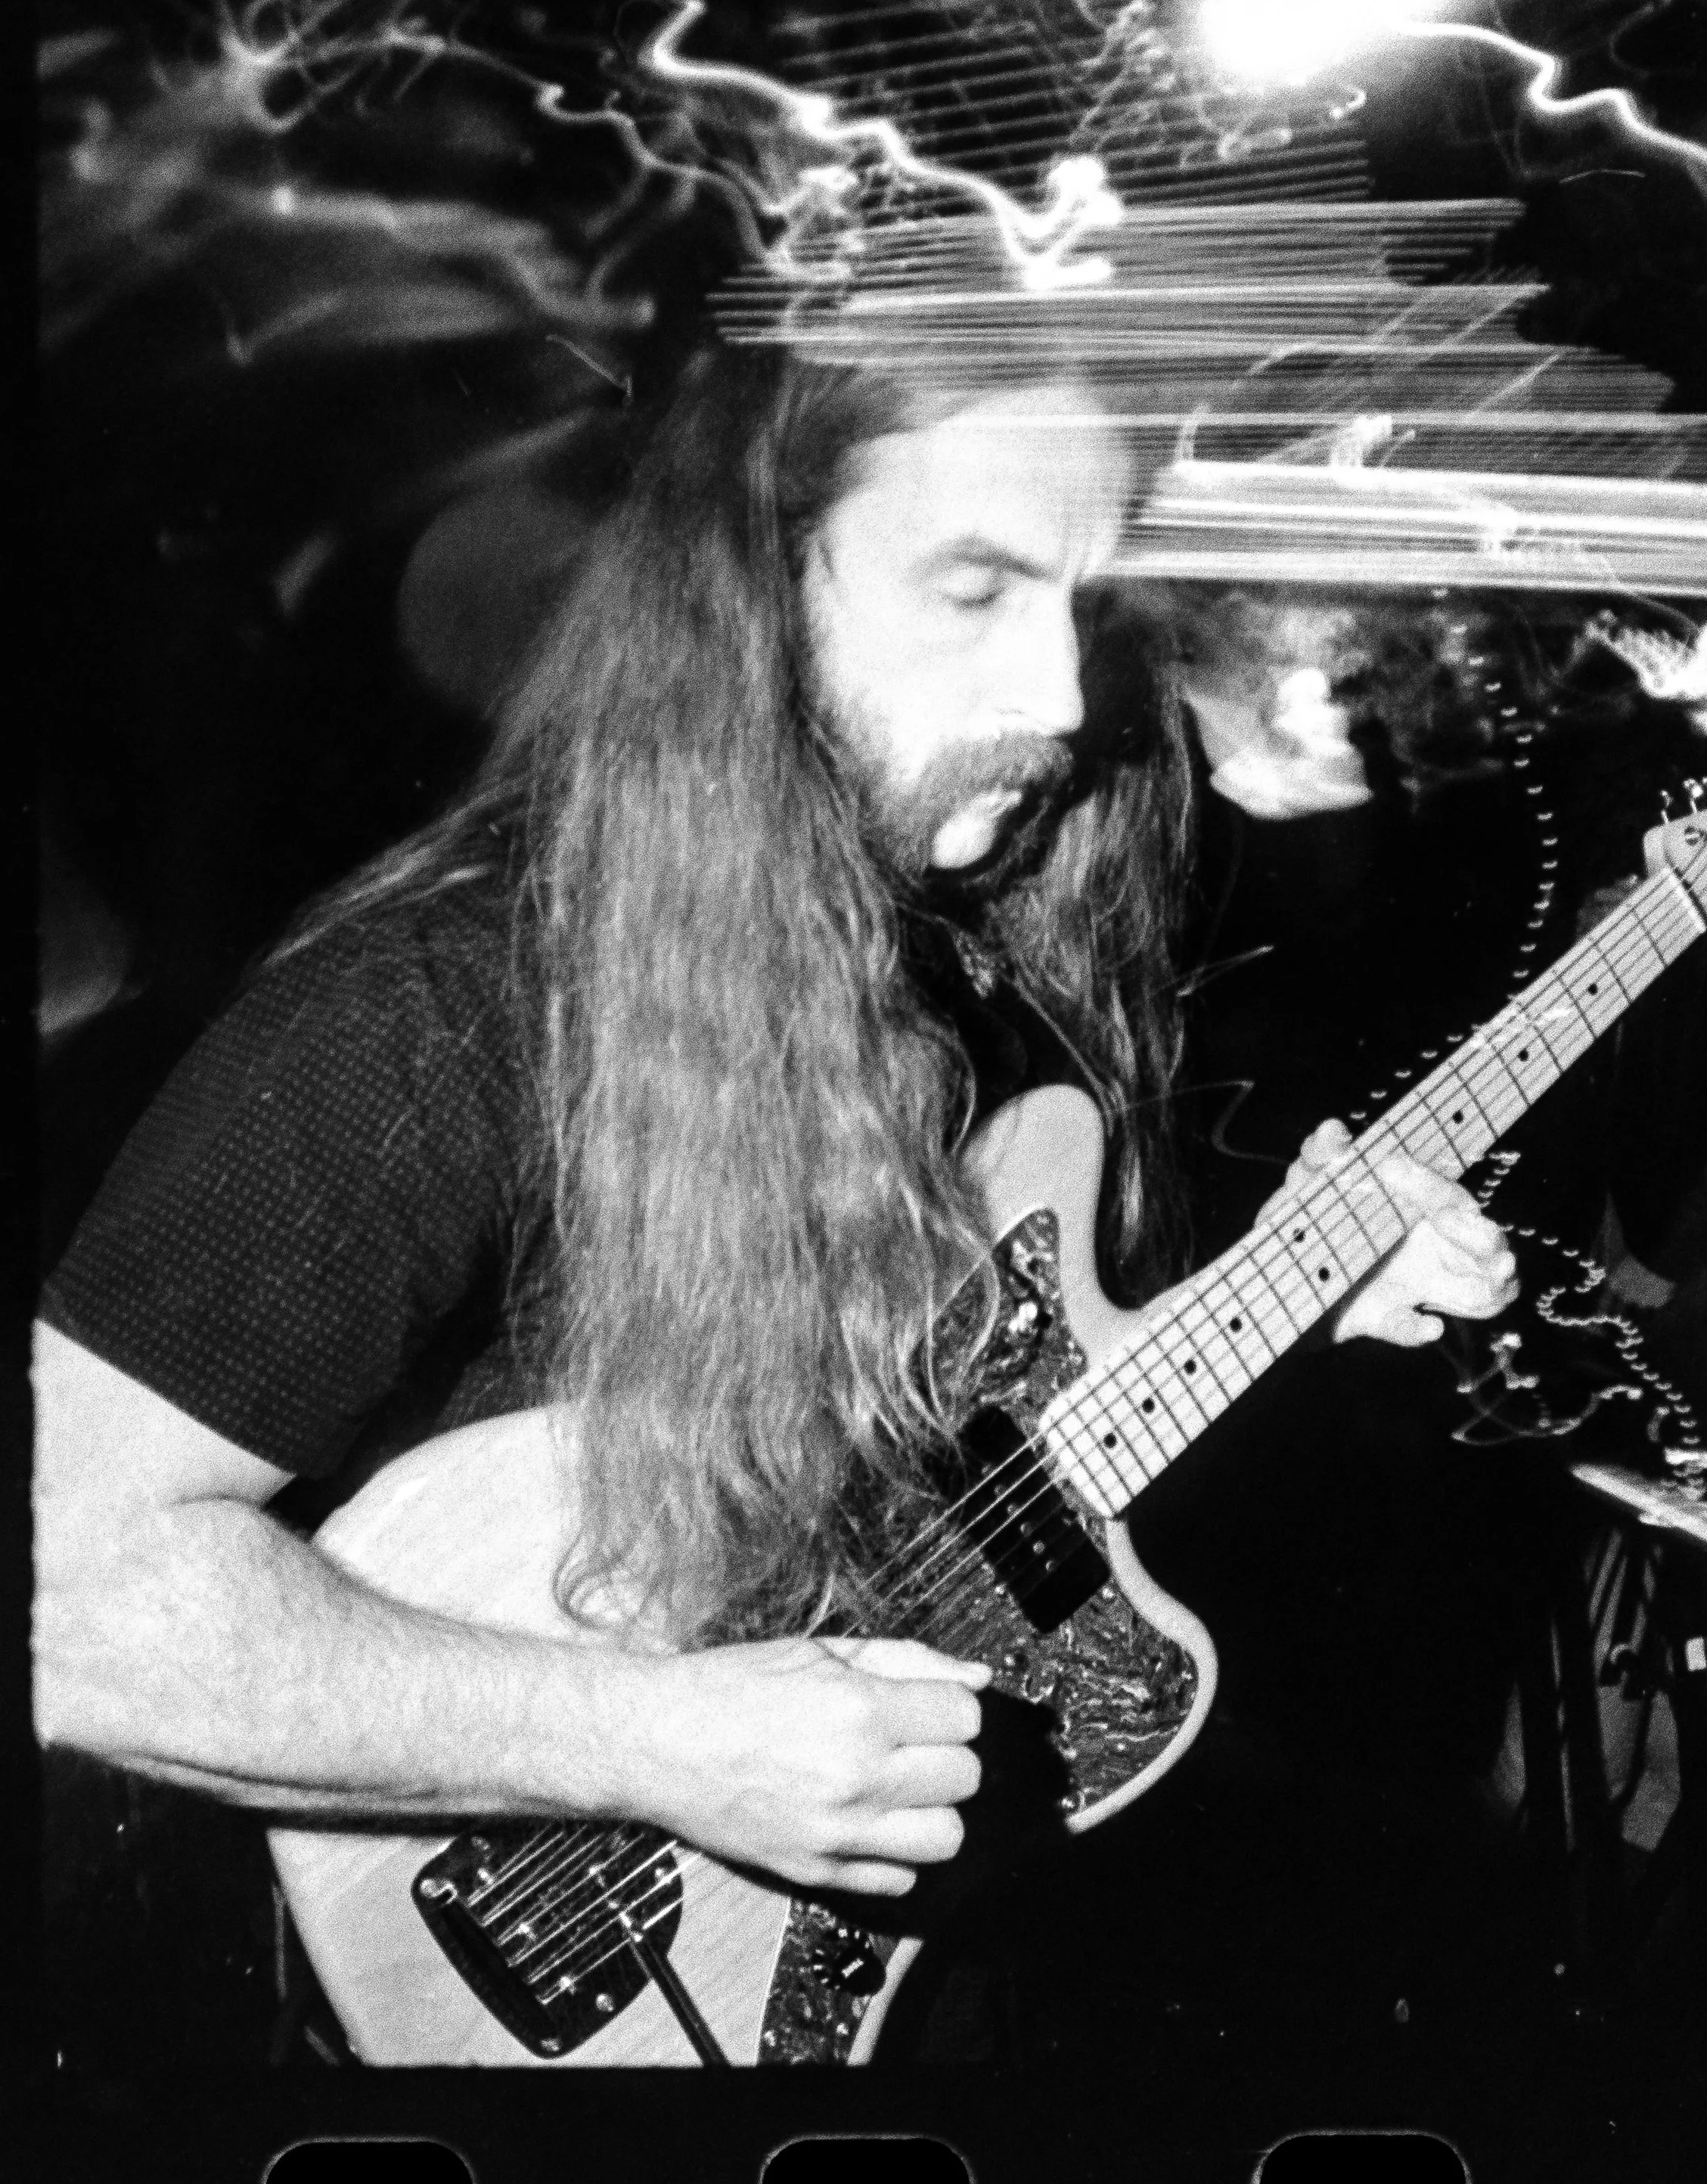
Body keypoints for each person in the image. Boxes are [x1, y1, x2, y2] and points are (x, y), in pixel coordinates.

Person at [33, 341, 1517, 1940]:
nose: (1060, 697)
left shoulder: (973, 943)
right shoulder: (442, 1007)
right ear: (752, 597)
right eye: (971, 590)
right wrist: (661, 1746)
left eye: (1085, 605)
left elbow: (980, 1456)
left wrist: (1289, 1297)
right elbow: (75, 1598)